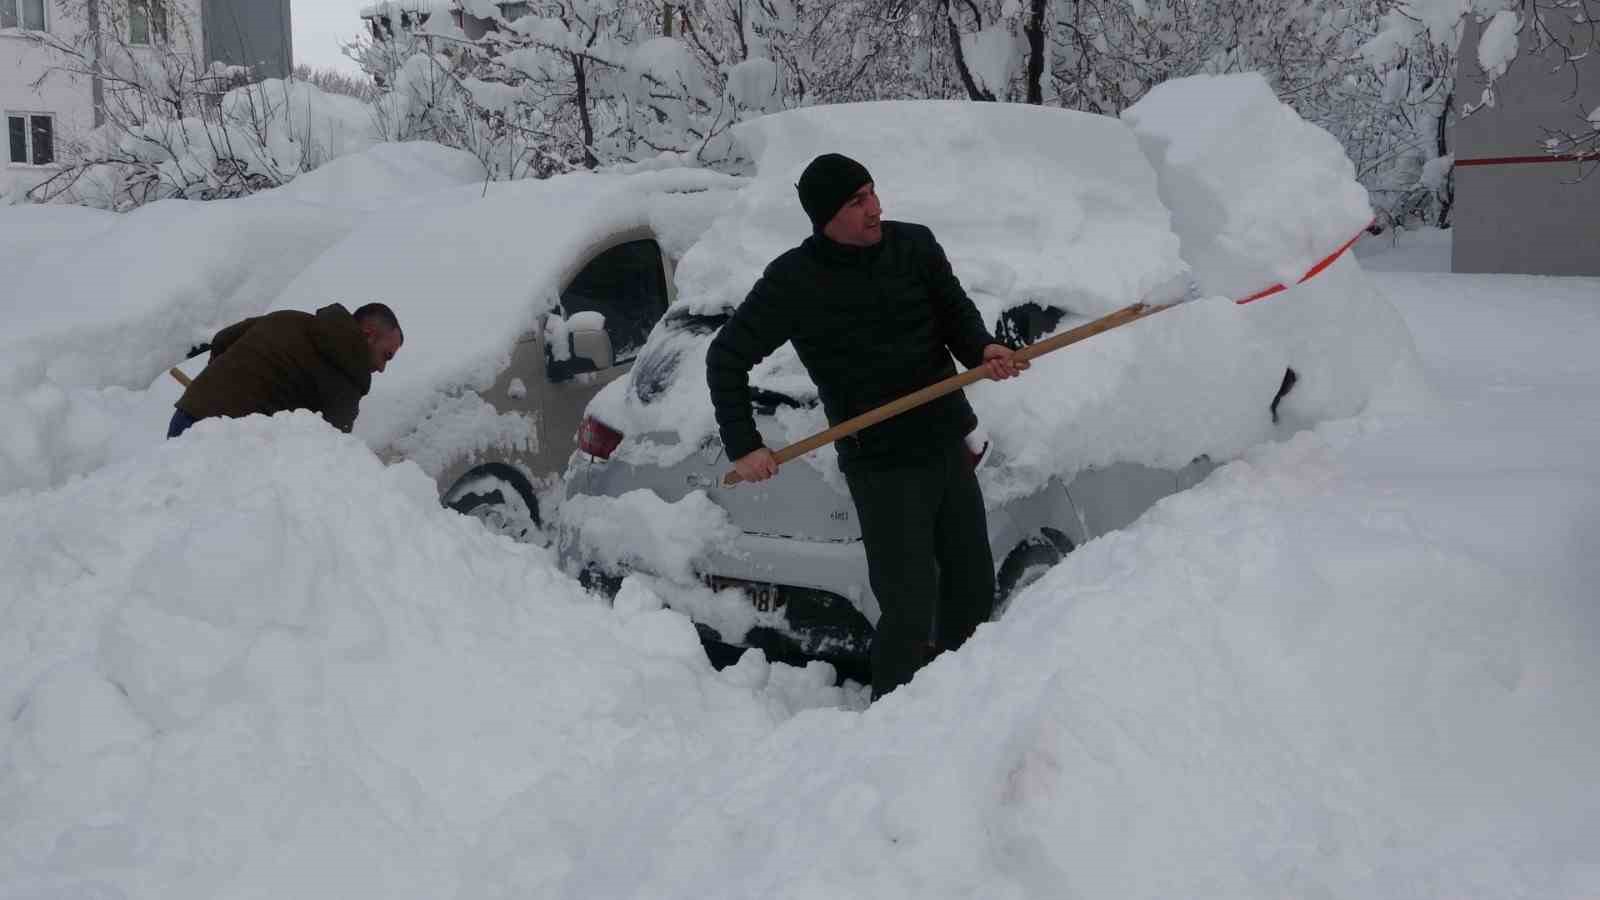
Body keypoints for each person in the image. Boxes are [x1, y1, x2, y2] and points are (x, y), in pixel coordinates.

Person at [705, 153, 1027, 700]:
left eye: (873, 193)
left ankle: (964, 705)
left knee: (973, 589)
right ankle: (894, 725)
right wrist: (744, 445)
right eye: (857, 201)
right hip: (881, 464)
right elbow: (725, 358)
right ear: (826, 215)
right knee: (908, 605)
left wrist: (983, 347)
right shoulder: (794, 280)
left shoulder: (914, 246)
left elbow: (954, 312)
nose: (875, 208)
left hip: (945, 442)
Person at [168, 302, 403, 439]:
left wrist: (218, 387)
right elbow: (331, 445)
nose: (382, 368)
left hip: (188, 414)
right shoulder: (347, 373)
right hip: (223, 444)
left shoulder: (290, 317)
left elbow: (222, 339)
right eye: (387, 355)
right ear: (369, 334)